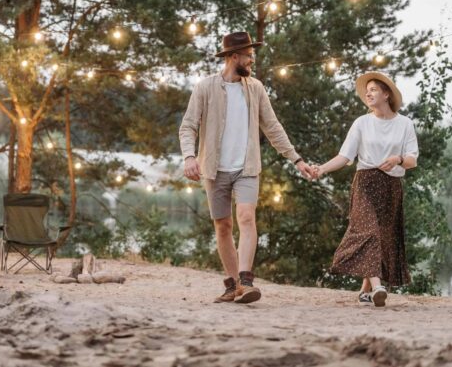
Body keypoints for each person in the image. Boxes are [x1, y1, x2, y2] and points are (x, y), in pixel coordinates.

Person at [179, 31, 315, 304]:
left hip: (247, 168)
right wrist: (189, 156)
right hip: (214, 169)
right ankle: (232, 286)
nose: (252, 61)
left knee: (246, 217)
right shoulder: (205, 87)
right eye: (248, 56)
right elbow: (188, 125)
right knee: (223, 226)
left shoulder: (256, 88)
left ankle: (245, 280)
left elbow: (273, 127)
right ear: (233, 57)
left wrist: (296, 159)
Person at [313, 71, 418, 307]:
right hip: (365, 183)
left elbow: (413, 160)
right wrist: (321, 169)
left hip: (391, 187)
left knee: (383, 238)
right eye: (366, 90)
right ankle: (378, 287)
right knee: (368, 232)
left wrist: (398, 159)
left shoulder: (404, 124)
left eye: (373, 89)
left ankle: (364, 291)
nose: (368, 94)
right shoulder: (362, 122)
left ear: (386, 94)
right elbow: (344, 156)